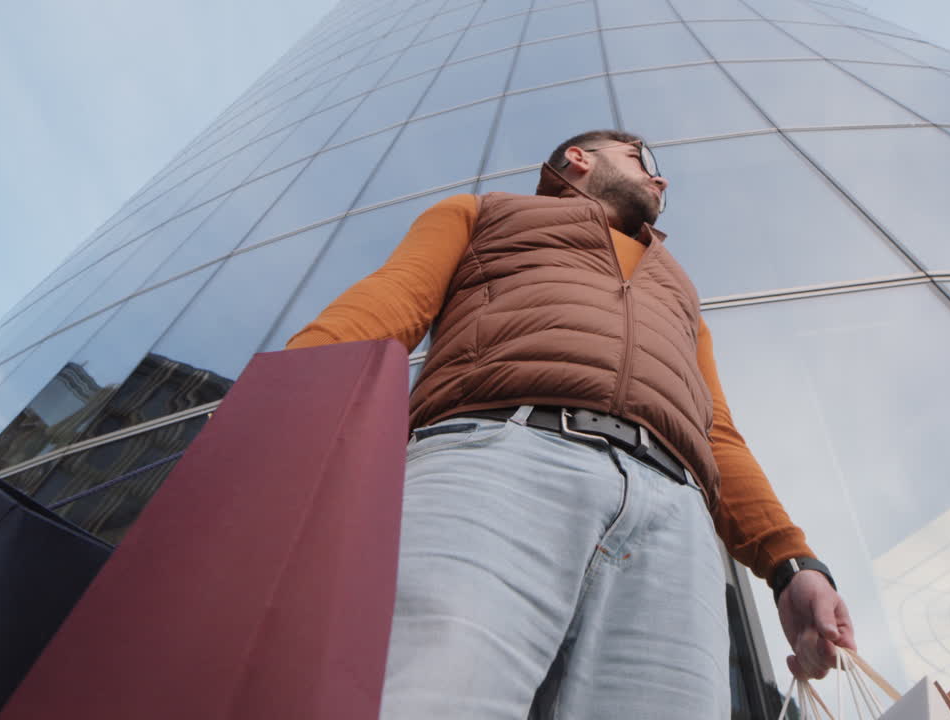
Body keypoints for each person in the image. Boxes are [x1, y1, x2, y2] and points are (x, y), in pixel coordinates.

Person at [287, 129, 856, 719]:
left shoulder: (680, 288)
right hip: (496, 462)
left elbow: (717, 435)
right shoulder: (483, 213)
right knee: (425, 696)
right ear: (578, 160)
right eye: (641, 160)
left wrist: (793, 567)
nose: (660, 179)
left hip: (676, 517)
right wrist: (288, 400)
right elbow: (392, 300)